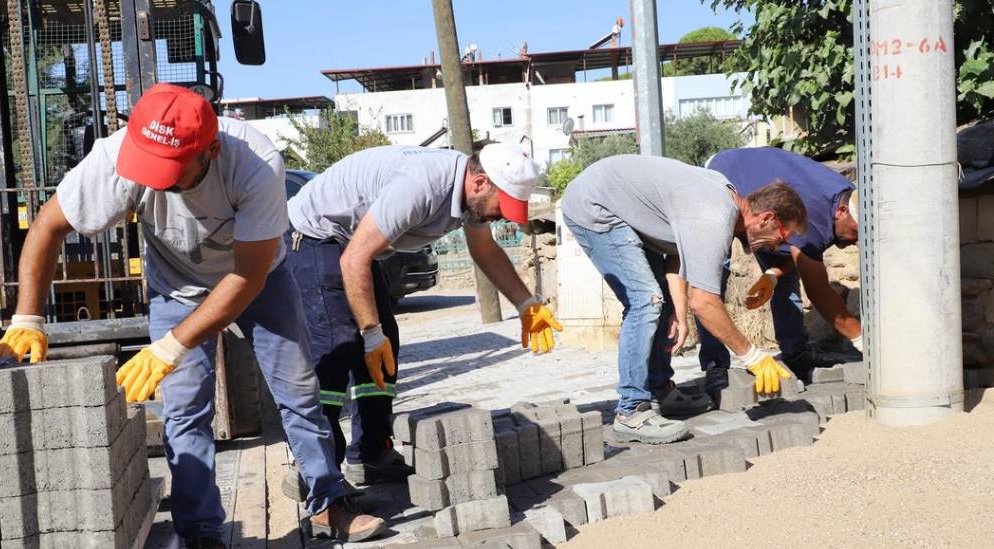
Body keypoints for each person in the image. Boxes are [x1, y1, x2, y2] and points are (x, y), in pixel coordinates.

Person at [0, 84, 386, 549]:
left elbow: (246, 278)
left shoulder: (257, 164)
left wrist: (171, 345)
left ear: (211, 150)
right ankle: (203, 537)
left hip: (259, 279)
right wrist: (28, 316)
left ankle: (328, 502)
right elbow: (47, 227)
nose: (156, 183)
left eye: (171, 171)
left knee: (298, 390)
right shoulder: (116, 156)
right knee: (184, 409)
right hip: (174, 287)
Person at [284, 142, 561, 491]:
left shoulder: (470, 199)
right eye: (501, 206)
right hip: (312, 235)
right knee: (338, 346)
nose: (502, 215)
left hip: (353, 244)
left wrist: (525, 304)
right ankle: (316, 472)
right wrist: (370, 332)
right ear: (479, 183)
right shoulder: (423, 186)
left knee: (386, 345)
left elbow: (485, 249)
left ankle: (371, 452)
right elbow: (353, 259)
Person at [560, 154, 808, 445]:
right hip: (595, 205)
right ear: (766, 218)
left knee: (660, 302)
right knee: (645, 300)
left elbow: (677, 248)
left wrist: (677, 309)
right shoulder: (714, 215)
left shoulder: (721, 197)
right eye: (782, 236)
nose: (779, 246)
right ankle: (631, 411)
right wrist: (753, 356)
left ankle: (658, 389)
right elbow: (704, 302)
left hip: (620, 205)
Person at [695, 147, 861, 389]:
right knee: (711, 280)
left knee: (785, 280)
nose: (856, 241)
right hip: (726, 177)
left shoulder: (843, 197)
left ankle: (795, 354)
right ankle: (715, 366)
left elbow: (801, 250)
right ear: (842, 212)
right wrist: (861, 339)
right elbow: (819, 293)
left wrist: (773, 274)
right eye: (856, 232)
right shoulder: (813, 211)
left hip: (767, 194)